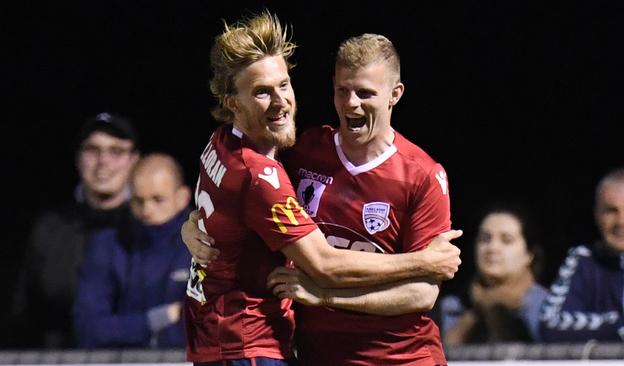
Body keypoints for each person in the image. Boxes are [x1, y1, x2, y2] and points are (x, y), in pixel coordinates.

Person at [181, 11, 462, 366]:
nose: (351, 103)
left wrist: (325, 296)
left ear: (395, 94)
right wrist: (193, 226)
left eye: (365, 93)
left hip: (400, 358)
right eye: (342, 91)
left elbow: (422, 294)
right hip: (298, 352)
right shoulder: (301, 152)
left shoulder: (423, 175)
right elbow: (319, 259)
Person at [9, 112, 140, 349]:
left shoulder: (152, 227)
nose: (103, 161)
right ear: (78, 158)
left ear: (134, 160)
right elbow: (22, 313)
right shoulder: (49, 228)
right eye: (92, 150)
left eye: (116, 151)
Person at [73, 152, 192, 348]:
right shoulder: (107, 245)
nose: (147, 209)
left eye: (158, 199)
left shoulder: (209, 245)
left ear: (182, 197)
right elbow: (88, 328)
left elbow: (212, 328)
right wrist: (159, 318)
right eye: (139, 200)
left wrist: (127, 330)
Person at [539, 167, 624, 342]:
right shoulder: (583, 260)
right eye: (611, 211)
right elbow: (550, 325)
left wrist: (601, 329)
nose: (621, 221)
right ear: (596, 215)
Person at [436, 202, 549, 345]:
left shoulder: (547, 307)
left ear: (530, 254)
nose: (492, 248)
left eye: (507, 240)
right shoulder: (452, 306)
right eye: (485, 239)